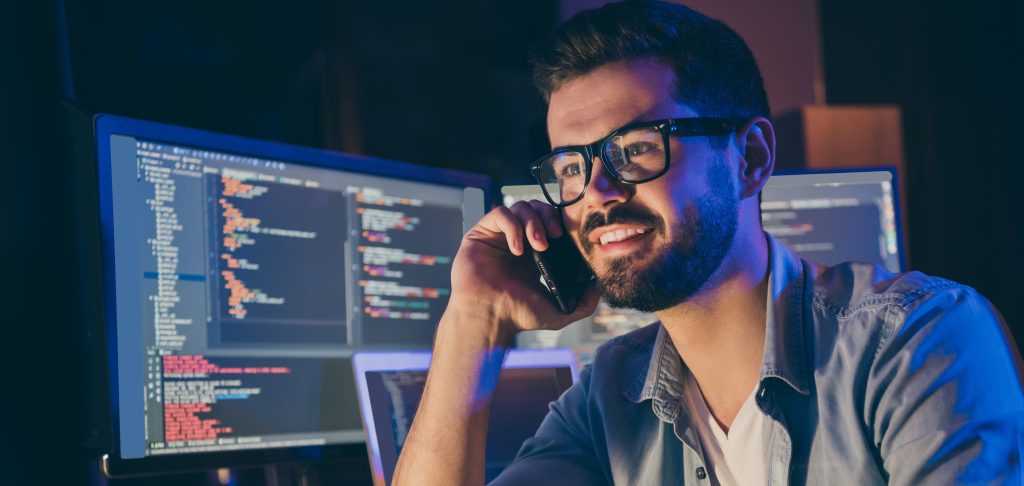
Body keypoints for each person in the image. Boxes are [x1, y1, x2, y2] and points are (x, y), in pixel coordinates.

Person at [393, 1, 1024, 484]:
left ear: (750, 157)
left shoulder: (919, 343)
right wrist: (473, 320)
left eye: (637, 149)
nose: (598, 192)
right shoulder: (607, 398)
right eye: (570, 167)